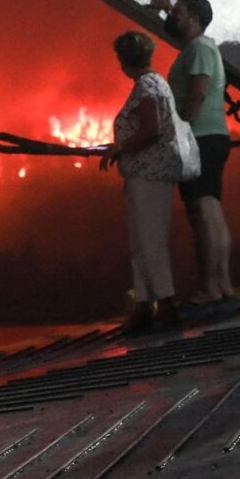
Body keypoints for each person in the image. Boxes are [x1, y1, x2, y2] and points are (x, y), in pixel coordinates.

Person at [147, 0, 235, 302]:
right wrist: (165, 8)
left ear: (194, 19)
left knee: (201, 210)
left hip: (199, 137)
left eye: (179, 14)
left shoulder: (197, 49)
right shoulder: (201, 46)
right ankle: (223, 283)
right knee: (211, 208)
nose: (174, 18)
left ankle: (210, 287)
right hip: (212, 136)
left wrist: (180, 129)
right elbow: (174, 28)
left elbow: (197, 91)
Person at [99, 31, 181, 333]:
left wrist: (120, 148)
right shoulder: (156, 83)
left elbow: (151, 129)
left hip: (149, 175)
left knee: (149, 239)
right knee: (141, 240)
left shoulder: (147, 87)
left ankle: (166, 303)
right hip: (144, 175)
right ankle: (145, 304)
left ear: (124, 60)